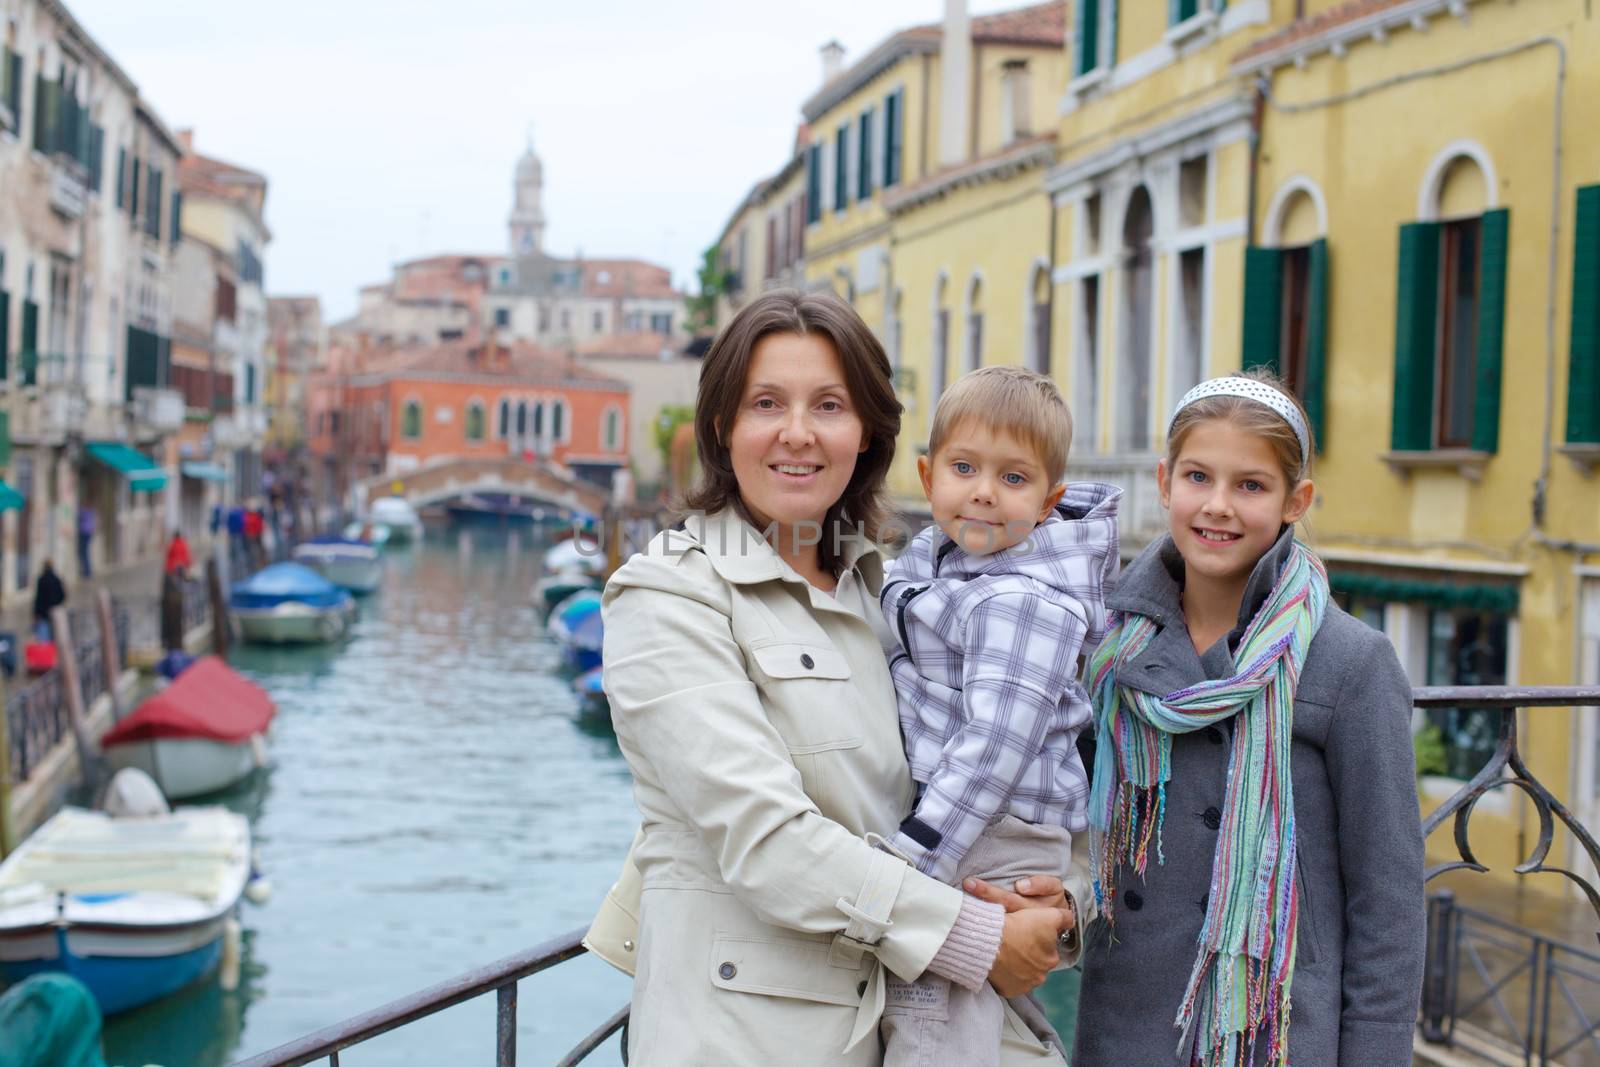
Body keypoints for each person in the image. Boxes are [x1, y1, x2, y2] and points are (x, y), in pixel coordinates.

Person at [591, 290, 1076, 1065]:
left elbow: (1022, 757)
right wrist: (979, 938)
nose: (797, 433)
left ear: (866, 433)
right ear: (722, 428)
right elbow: (766, 839)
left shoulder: (893, 590)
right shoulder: (668, 596)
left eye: (828, 405)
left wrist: (1053, 904)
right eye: (765, 404)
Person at [1072, 371, 1426, 1067]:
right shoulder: (1108, 646)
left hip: (1276, 1035)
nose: (1218, 506)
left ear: (1297, 501)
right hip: (1124, 1025)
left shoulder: (1351, 661)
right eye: (1199, 476)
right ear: (1165, 481)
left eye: (1251, 485)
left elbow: (1388, 904)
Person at [877, 366, 1118, 1065]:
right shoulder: (942, 563)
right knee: (970, 1015)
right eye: (964, 467)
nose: (983, 490)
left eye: (1013, 478)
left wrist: (912, 861)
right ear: (927, 478)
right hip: (980, 826)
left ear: (1050, 501)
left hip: (985, 835)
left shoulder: (1023, 601)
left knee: (934, 1024)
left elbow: (993, 749)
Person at [161, 529, 192, 651]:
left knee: (170, 612)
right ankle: (176, 643)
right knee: (177, 612)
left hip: (170, 578)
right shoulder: (183, 545)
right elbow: (187, 561)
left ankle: (168, 641)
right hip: (177, 579)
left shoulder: (172, 545)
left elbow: (168, 561)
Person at [31, 560, 65, 642]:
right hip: (54, 613)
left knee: (44, 639)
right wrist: (56, 605)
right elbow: (62, 596)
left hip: (43, 613)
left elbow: (38, 598)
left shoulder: (41, 580)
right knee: (56, 636)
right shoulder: (56, 579)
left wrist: (36, 613)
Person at [76, 505, 96, 579]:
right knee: (85, 552)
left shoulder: (84, 511)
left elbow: (79, 515)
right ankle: (87, 570)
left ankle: (87, 571)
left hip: (84, 533)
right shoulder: (92, 512)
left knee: (83, 552)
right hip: (88, 533)